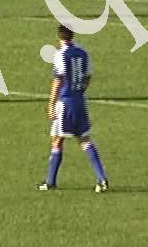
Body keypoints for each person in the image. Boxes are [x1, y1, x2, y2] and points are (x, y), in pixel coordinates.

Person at [38, 25, 109, 193]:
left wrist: (51, 103)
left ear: (59, 38)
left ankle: (50, 182)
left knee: (57, 140)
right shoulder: (83, 52)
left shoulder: (60, 54)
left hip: (65, 102)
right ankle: (102, 178)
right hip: (79, 101)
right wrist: (80, 90)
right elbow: (88, 76)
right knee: (84, 139)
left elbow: (58, 80)